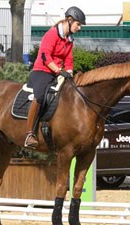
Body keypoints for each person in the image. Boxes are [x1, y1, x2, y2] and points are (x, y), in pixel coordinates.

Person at [24, 6, 86, 148]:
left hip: (56, 73)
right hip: (42, 71)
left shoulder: (69, 40)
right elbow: (45, 56)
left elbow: (69, 60)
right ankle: (29, 134)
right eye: (78, 24)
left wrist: (69, 73)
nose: (79, 28)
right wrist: (59, 70)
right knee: (39, 96)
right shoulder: (52, 34)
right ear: (69, 21)